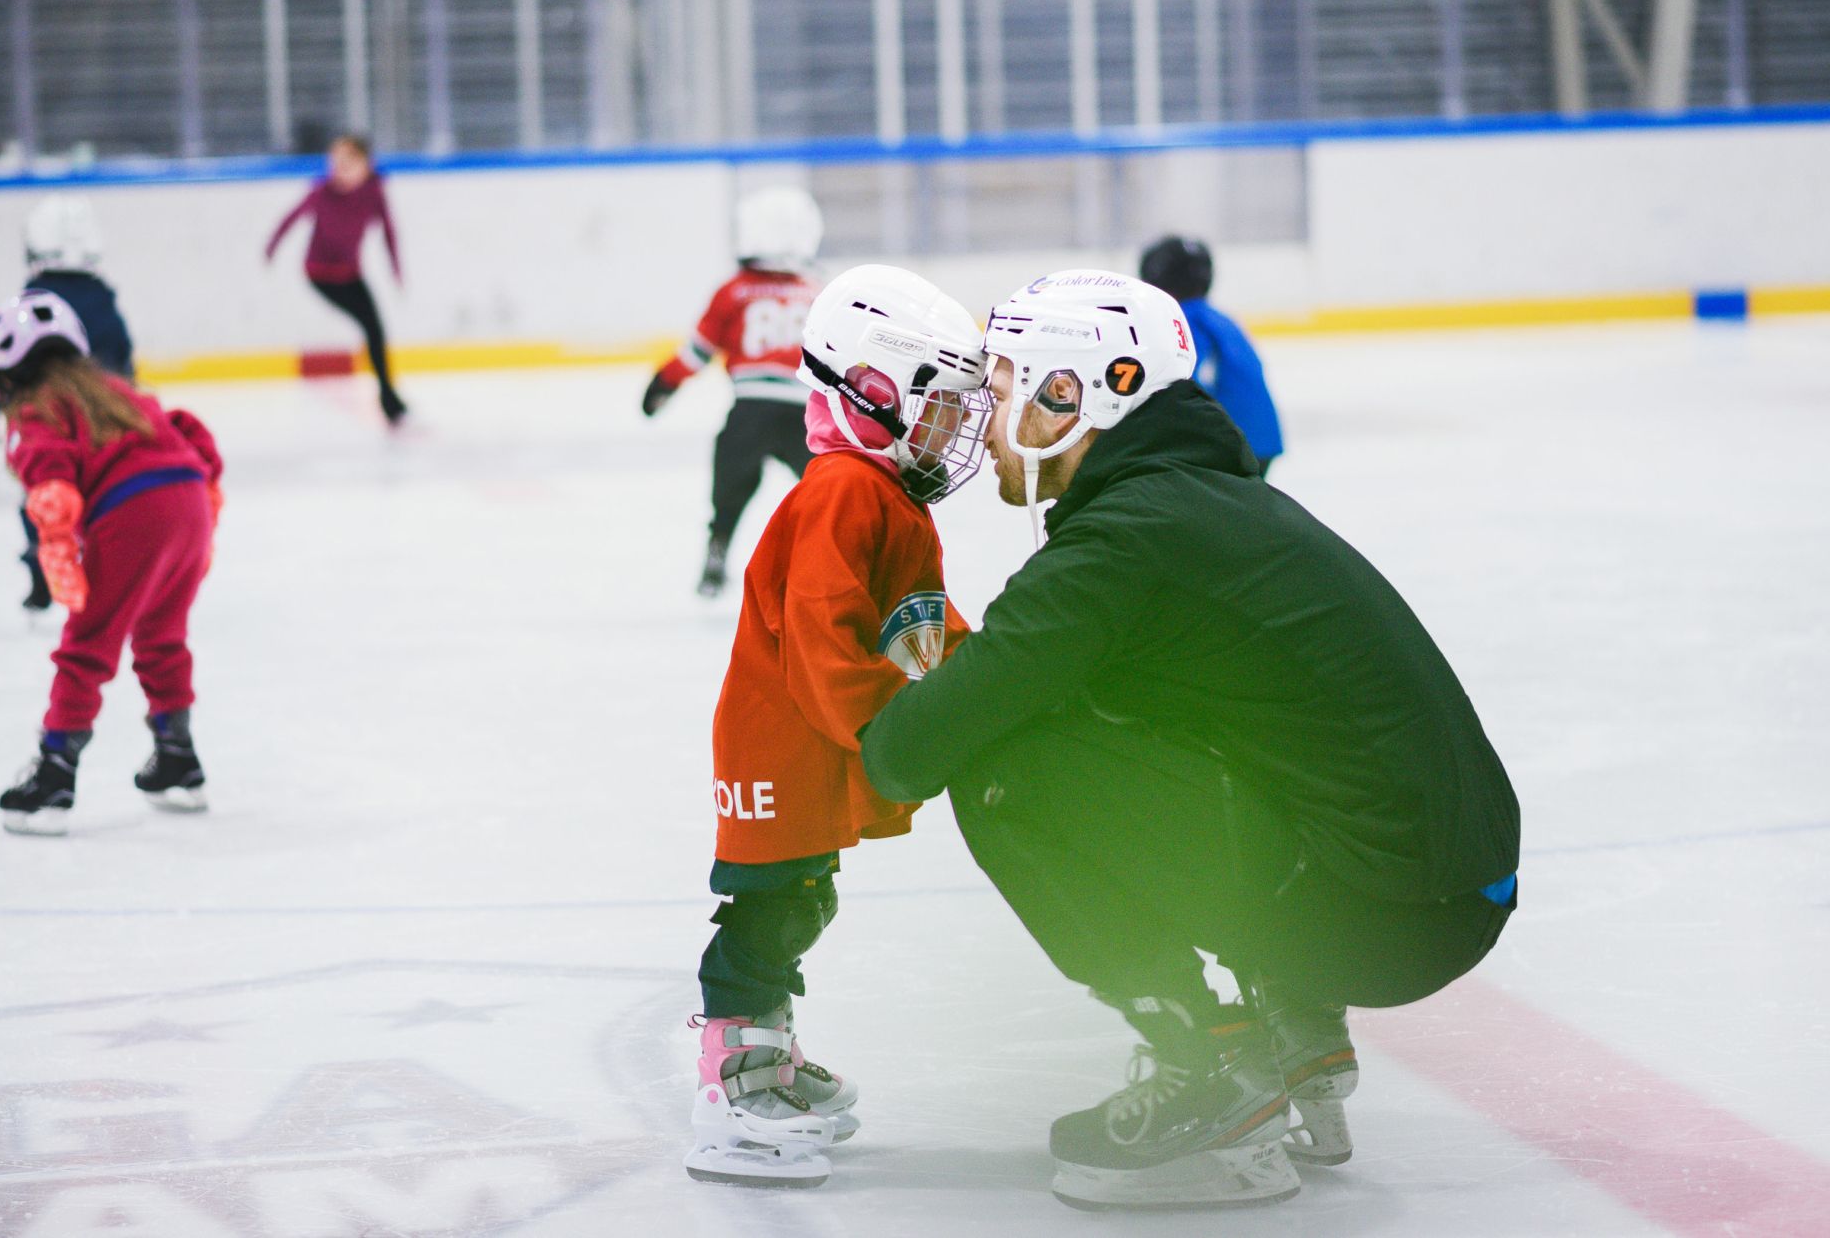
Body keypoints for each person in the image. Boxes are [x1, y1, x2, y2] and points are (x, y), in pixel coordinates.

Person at [859, 269, 1519, 1211]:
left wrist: (865, 667)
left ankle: (1213, 1069)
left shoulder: (1125, 541)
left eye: (1003, 387)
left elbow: (910, 752)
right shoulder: (1198, 500)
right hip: (1440, 886)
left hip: (1390, 913)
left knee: (1002, 764)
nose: (986, 417)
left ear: (1069, 394)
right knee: (1121, 710)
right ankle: (1295, 1019)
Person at [685, 265, 992, 1190]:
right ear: (871, 392)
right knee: (769, 910)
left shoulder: (883, 495)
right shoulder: (842, 492)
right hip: (782, 747)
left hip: (811, 748)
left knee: (804, 899)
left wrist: (990, 674)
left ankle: (768, 1059)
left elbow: (917, 625)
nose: (952, 428)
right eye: (940, 406)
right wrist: (903, 731)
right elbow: (826, 641)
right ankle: (730, 1088)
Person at [0, 290, 224, 836]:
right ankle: (177, 757)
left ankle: (55, 773)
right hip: (189, 499)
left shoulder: (38, 410)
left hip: (133, 512)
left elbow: (50, 475)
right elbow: (187, 428)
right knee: (162, 634)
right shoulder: (116, 393)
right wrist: (208, 497)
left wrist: (57, 548)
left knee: (88, 642)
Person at [641, 186, 823, 597]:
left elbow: (696, 353)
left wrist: (662, 385)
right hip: (805, 415)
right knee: (825, 491)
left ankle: (717, 550)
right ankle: (831, 561)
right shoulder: (817, 291)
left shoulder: (733, 291)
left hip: (750, 411)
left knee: (730, 488)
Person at [0, 195, 138, 610]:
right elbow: (123, 365)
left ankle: (42, 566)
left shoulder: (33, 304)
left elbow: (3, 360)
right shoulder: (103, 302)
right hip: (101, 426)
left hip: (46, 421)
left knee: (42, 491)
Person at [265, 133, 408, 424]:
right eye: (336, 161)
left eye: (348, 161)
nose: (339, 167)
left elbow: (388, 230)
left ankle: (388, 396)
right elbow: (291, 217)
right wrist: (272, 246)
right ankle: (389, 398)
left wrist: (395, 267)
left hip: (351, 275)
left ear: (366, 165)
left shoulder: (374, 192)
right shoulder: (322, 191)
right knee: (371, 326)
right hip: (319, 274)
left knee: (375, 330)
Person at [1139, 235, 1283, 476]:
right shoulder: (1219, 319)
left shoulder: (1182, 322)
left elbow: (1182, 382)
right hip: (1257, 437)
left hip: (1232, 444)